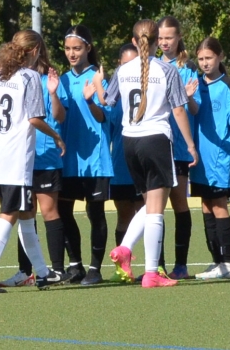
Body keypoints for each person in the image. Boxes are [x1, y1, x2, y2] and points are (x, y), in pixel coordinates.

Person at [110, 18, 201, 288]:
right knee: (156, 211)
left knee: (149, 204)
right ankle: (151, 272)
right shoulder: (166, 70)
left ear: (134, 40)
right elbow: (178, 110)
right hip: (156, 140)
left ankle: (125, 248)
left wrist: (99, 88)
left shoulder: (122, 69)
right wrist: (190, 145)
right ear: (155, 41)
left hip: (129, 142)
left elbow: (109, 100)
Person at [0, 38, 63, 291]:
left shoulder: (1, 74)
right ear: (34, 51)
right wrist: (56, 136)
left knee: (25, 214)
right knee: (10, 213)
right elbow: (34, 118)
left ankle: (43, 273)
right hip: (17, 155)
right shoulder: (29, 77)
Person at [56, 25, 113, 284]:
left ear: (88, 48)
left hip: (95, 159)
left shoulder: (98, 78)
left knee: (95, 213)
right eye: (68, 48)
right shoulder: (62, 80)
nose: (72, 53)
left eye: (77, 48)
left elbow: (103, 117)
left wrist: (90, 101)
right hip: (68, 158)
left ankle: (95, 269)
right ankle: (75, 265)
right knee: (63, 211)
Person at [10, 29, 67, 287]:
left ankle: (57, 270)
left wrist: (53, 93)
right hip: (21, 155)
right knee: (25, 212)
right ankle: (25, 272)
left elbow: (60, 117)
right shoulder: (11, 78)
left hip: (45, 155)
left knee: (48, 210)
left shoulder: (47, 79)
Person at [187, 37, 230, 279]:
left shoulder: (228, 84)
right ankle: (216, 262)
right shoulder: (196, 83)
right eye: (200, 59)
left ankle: (228, 262)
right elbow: (194, 110)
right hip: (200, 157)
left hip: (219, 155)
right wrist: (189, 97)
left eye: (209, 58)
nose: (205, 63)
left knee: (219, 205)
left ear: (220, 57)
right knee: (206, 205)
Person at [156, 17, 199, 278]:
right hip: (156, 144)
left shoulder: (188, 68)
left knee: (179, 201)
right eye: (160, 38)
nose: (164, 42)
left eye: (169, 37)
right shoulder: (151, 66)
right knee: (155, 207)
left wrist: (187, 97)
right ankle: (157, 265)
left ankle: (181, 264)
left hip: (179, 147)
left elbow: (193, 109)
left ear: (179, 37)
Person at [105, 42, 142, 260]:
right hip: (120, 166)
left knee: (148, 216)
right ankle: (122, 265)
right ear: (119, 65)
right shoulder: (113, 99)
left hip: (142, 163)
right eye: (125, 64)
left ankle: (156, 265)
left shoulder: (149, 89)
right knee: (124, 217)